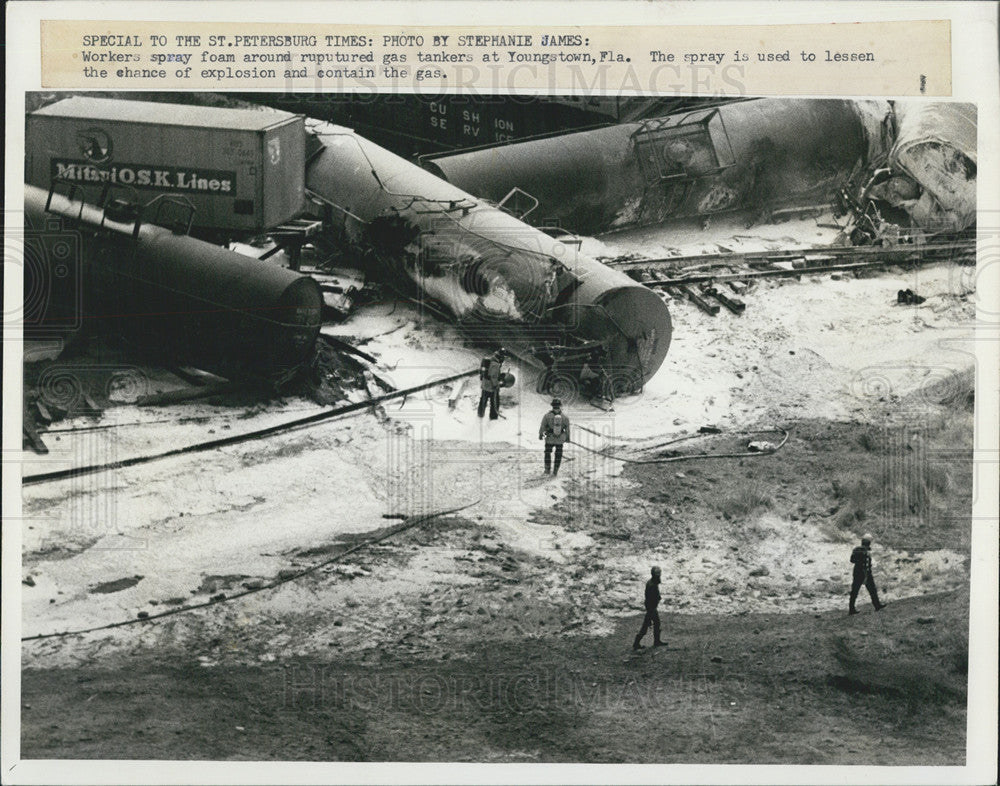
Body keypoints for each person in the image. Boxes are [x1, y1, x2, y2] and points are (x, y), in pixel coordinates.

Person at [849, 533, 887, 615]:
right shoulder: (866, 552)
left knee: (854, 591)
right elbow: (866, 565)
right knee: (872, 590)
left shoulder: (856, 549)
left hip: (857, 572)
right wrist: (866, 577)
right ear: (869, 543)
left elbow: (852, 560)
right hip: (865, 573)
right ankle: (877, 605)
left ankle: (851, 608)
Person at [633, 566, 666, 649]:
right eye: (657, 573)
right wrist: (651, 610)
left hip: (652, 608)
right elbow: (649, 599)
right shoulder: (652, 585)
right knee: (646, 626)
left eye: (659, 573)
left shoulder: (652, 583)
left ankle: (656, 641)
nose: (659, 575)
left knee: (654, 624)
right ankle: (637, 643)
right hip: (651, 608)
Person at [538, 398, 570, 476]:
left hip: (550, 438)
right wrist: (567, 437)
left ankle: (547, 469)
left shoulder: (547, 415)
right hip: (560, 438)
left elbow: (543, 426)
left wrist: (541, 434)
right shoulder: (565, 417)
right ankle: (555, 471)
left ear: (552, 406)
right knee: (558, 454)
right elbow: (567, 428)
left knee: (547, 453)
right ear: (560, 406)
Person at [477, 348, 506, 420]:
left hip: (485, 384)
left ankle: (480, 414)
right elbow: (493, 376)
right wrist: (496, 385)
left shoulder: (489, 360)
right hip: (491, 387)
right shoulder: (495, 365)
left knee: (483, 400)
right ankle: (493, 417)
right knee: (494, 403)